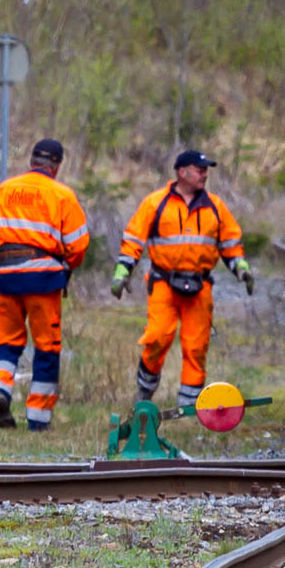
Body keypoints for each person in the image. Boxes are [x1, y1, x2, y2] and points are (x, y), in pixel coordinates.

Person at [112, 149, 251, 417]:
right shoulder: (155, 203)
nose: (204, 174)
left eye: (206, 170)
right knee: (157, 338)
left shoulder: (216, 207)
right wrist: (121, 272)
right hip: (163, 284)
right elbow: (133, 239)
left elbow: (231, 244)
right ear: (181, 172)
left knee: (196, 347)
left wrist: (241, 269)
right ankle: (144, 395)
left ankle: (188, 410)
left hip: (200, 288)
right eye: (199, 170)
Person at [0, 137, 90, 429]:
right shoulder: (62, 195)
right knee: (47, 347)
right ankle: (38, 419)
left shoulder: (3, 190)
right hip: (43, 280)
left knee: (7, 344)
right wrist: (65, 269)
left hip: (4, 279)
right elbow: (79, 244)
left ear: (32, 161)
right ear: (56, 166)